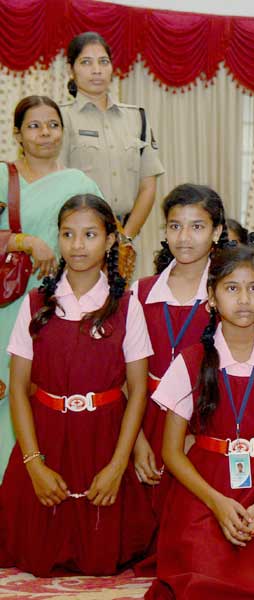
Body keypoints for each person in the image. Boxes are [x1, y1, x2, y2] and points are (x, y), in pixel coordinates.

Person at [146, 244, 254, 599]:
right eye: (231, 288)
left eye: (253, 288)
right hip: (205, 491)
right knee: (199, 581)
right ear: (211, 299)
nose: (243, 299)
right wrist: (216, 502)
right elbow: (171, 451)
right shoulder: (191, 361)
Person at [0, 194, 154, 575]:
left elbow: (137, 391)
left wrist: (119, 465)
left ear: (110, 240)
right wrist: (34, 465)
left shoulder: (127, 306)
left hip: (103, 443)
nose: (77, 244)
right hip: (45, 443)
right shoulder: (37, 302)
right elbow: (18, 388)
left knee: (104, 559)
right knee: (33, 556)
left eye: (89, 234)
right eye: (68, 234)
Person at [0, 96, 101, 480]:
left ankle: (41, 482)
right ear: (18, 133)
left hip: (60, 308)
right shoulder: (2, 177)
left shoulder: (80, 183)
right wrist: (25, 242)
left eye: (53, 125)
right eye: (34, 126)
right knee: (6, 391)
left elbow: (101, 238)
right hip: (6, 303)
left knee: (46, 394)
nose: (45, 134)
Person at [129, 184, 227, 574]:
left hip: (205, 420)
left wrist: (196, 437)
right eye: (175, 226)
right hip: (147, 416)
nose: (184, 237)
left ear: (217, 232)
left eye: (197, 226)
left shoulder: (227, 292)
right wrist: (136, 440)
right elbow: (126, 374)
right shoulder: (140, 293)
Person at [59, 32, 164, 240]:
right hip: (78, 236)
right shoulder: (60, 118)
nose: (96, 70)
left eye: (103, 62)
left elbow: (147, 186)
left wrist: (126, 237)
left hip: (125, 234)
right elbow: (56, 185)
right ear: (71, 69)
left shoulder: (137, 118)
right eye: (86, 62)